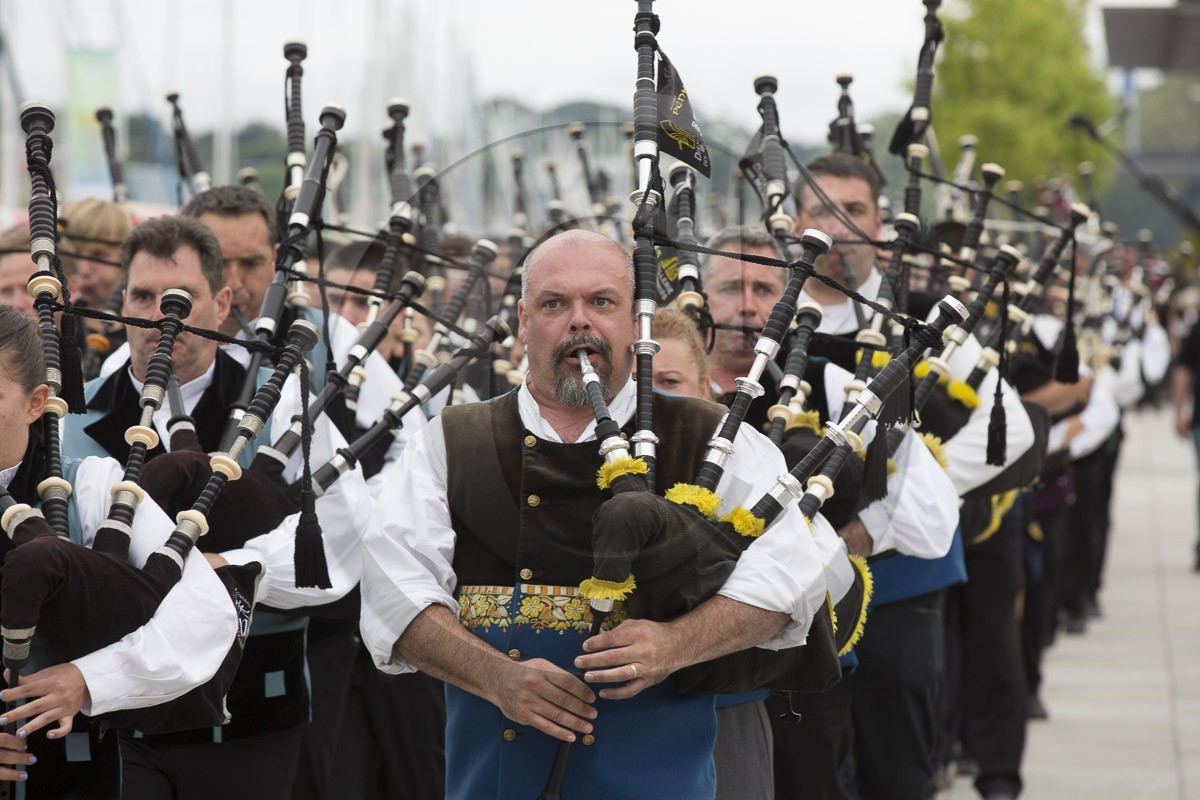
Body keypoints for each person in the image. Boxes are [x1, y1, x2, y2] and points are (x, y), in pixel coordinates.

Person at [360, 229, 832, 800]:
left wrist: (677, 643)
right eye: (554, 304)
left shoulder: (709, 435)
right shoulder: (453, 441)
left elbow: (791, 576)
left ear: (636, 322)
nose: (579, 321)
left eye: (601, 302)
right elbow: (394, 588)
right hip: (495, 779)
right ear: (523, 320)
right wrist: (497, 678)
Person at [62, 215, 369, 800]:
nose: (160, 316)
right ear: (121, 302)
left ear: (223, 303)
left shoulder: (279, 408)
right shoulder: (75, 419)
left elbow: (334, 542)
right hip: (115, 721)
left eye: (182, 297)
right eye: (144, 296)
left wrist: (228, 567)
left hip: (251, 716)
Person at [0, 304, 238, 798]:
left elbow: (206, 611)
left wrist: (89, 679)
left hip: (73, 767)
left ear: (35, 402)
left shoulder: (91, 486)